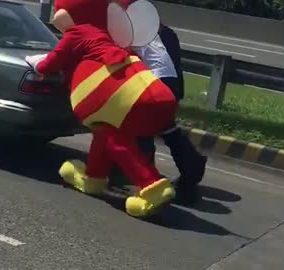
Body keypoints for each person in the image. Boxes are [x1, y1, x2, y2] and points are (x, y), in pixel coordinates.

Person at [26, 0, 178, 218]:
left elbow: (52, 61)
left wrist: (38, 66)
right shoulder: (109, 34)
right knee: (104, 132)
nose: (53, 15)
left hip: (127, 96)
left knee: (116, 140)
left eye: (58, 9)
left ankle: (154, 187)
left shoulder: (79, 31)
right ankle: (94, 178)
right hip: (152, 91)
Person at [132, 21, 207, 205]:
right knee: (168, 130)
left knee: (142, 133)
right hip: (170, 86)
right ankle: (191, 171)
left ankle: (150, 184)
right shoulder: (165, 31)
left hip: (150, 84)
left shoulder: (129, 31)